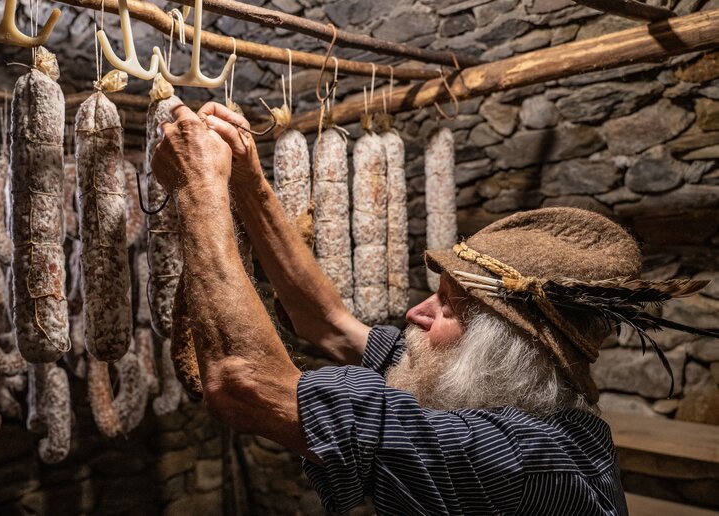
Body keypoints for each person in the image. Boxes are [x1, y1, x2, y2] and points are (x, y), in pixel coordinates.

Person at [150, 102, 709, 515]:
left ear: (498, 353)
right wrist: (249, 185)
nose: (416, 313)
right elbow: (325, 322)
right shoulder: (487, 393)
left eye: (447, 307)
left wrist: (200, 188)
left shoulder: (518, 460)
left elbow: (245, 383)